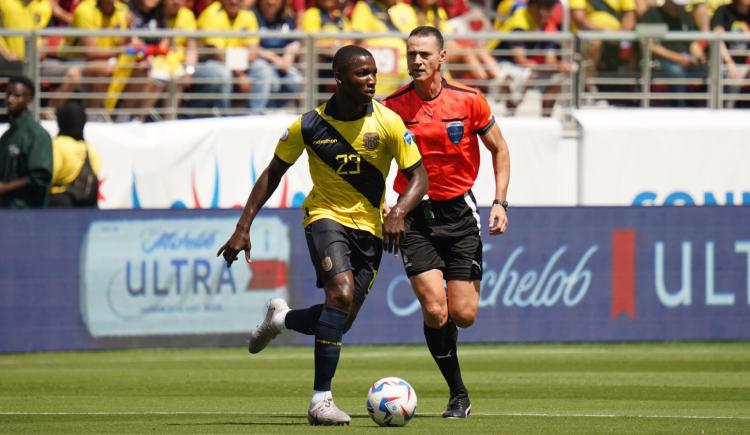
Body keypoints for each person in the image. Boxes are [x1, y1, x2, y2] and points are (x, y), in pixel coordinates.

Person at [217, 45, 428, 425]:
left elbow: (419, 176)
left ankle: (280, 320)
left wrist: (398, 211)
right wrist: (243, 226)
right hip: (324, 216)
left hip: (371, 228)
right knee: (340, 293)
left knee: (340, 318)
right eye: (362, 73)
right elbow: (272, 173)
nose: (371, 80)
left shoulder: (389, 122)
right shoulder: (309, 126)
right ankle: (321, 401)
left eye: (374, 72)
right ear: (340, 78)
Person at [381, 26, 510, 419]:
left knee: (464, 315)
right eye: (411, 54)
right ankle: (458, 393)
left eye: (423, 54)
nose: (416, 61)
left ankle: (454, 372)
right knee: (435, 310)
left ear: (442, 58)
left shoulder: (469, 100)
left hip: (460, 213)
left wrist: (500, 201)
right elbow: (375, 163)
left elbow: (499, 148)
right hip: (414, 216)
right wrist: (386, 206)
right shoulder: (391, 107)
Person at [0, 76, 53, 208]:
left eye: (17, 95)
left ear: (29, 100)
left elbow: (41, 176)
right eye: (8, 95)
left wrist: (6, 187)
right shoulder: (7, 136)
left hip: (27, 213)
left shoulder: (37, 135)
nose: (10, 99)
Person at [49, 100, 100, 207]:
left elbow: (48, 176)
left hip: (59, 206)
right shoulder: (89, 149)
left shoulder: (57, 144)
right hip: (87, 207)